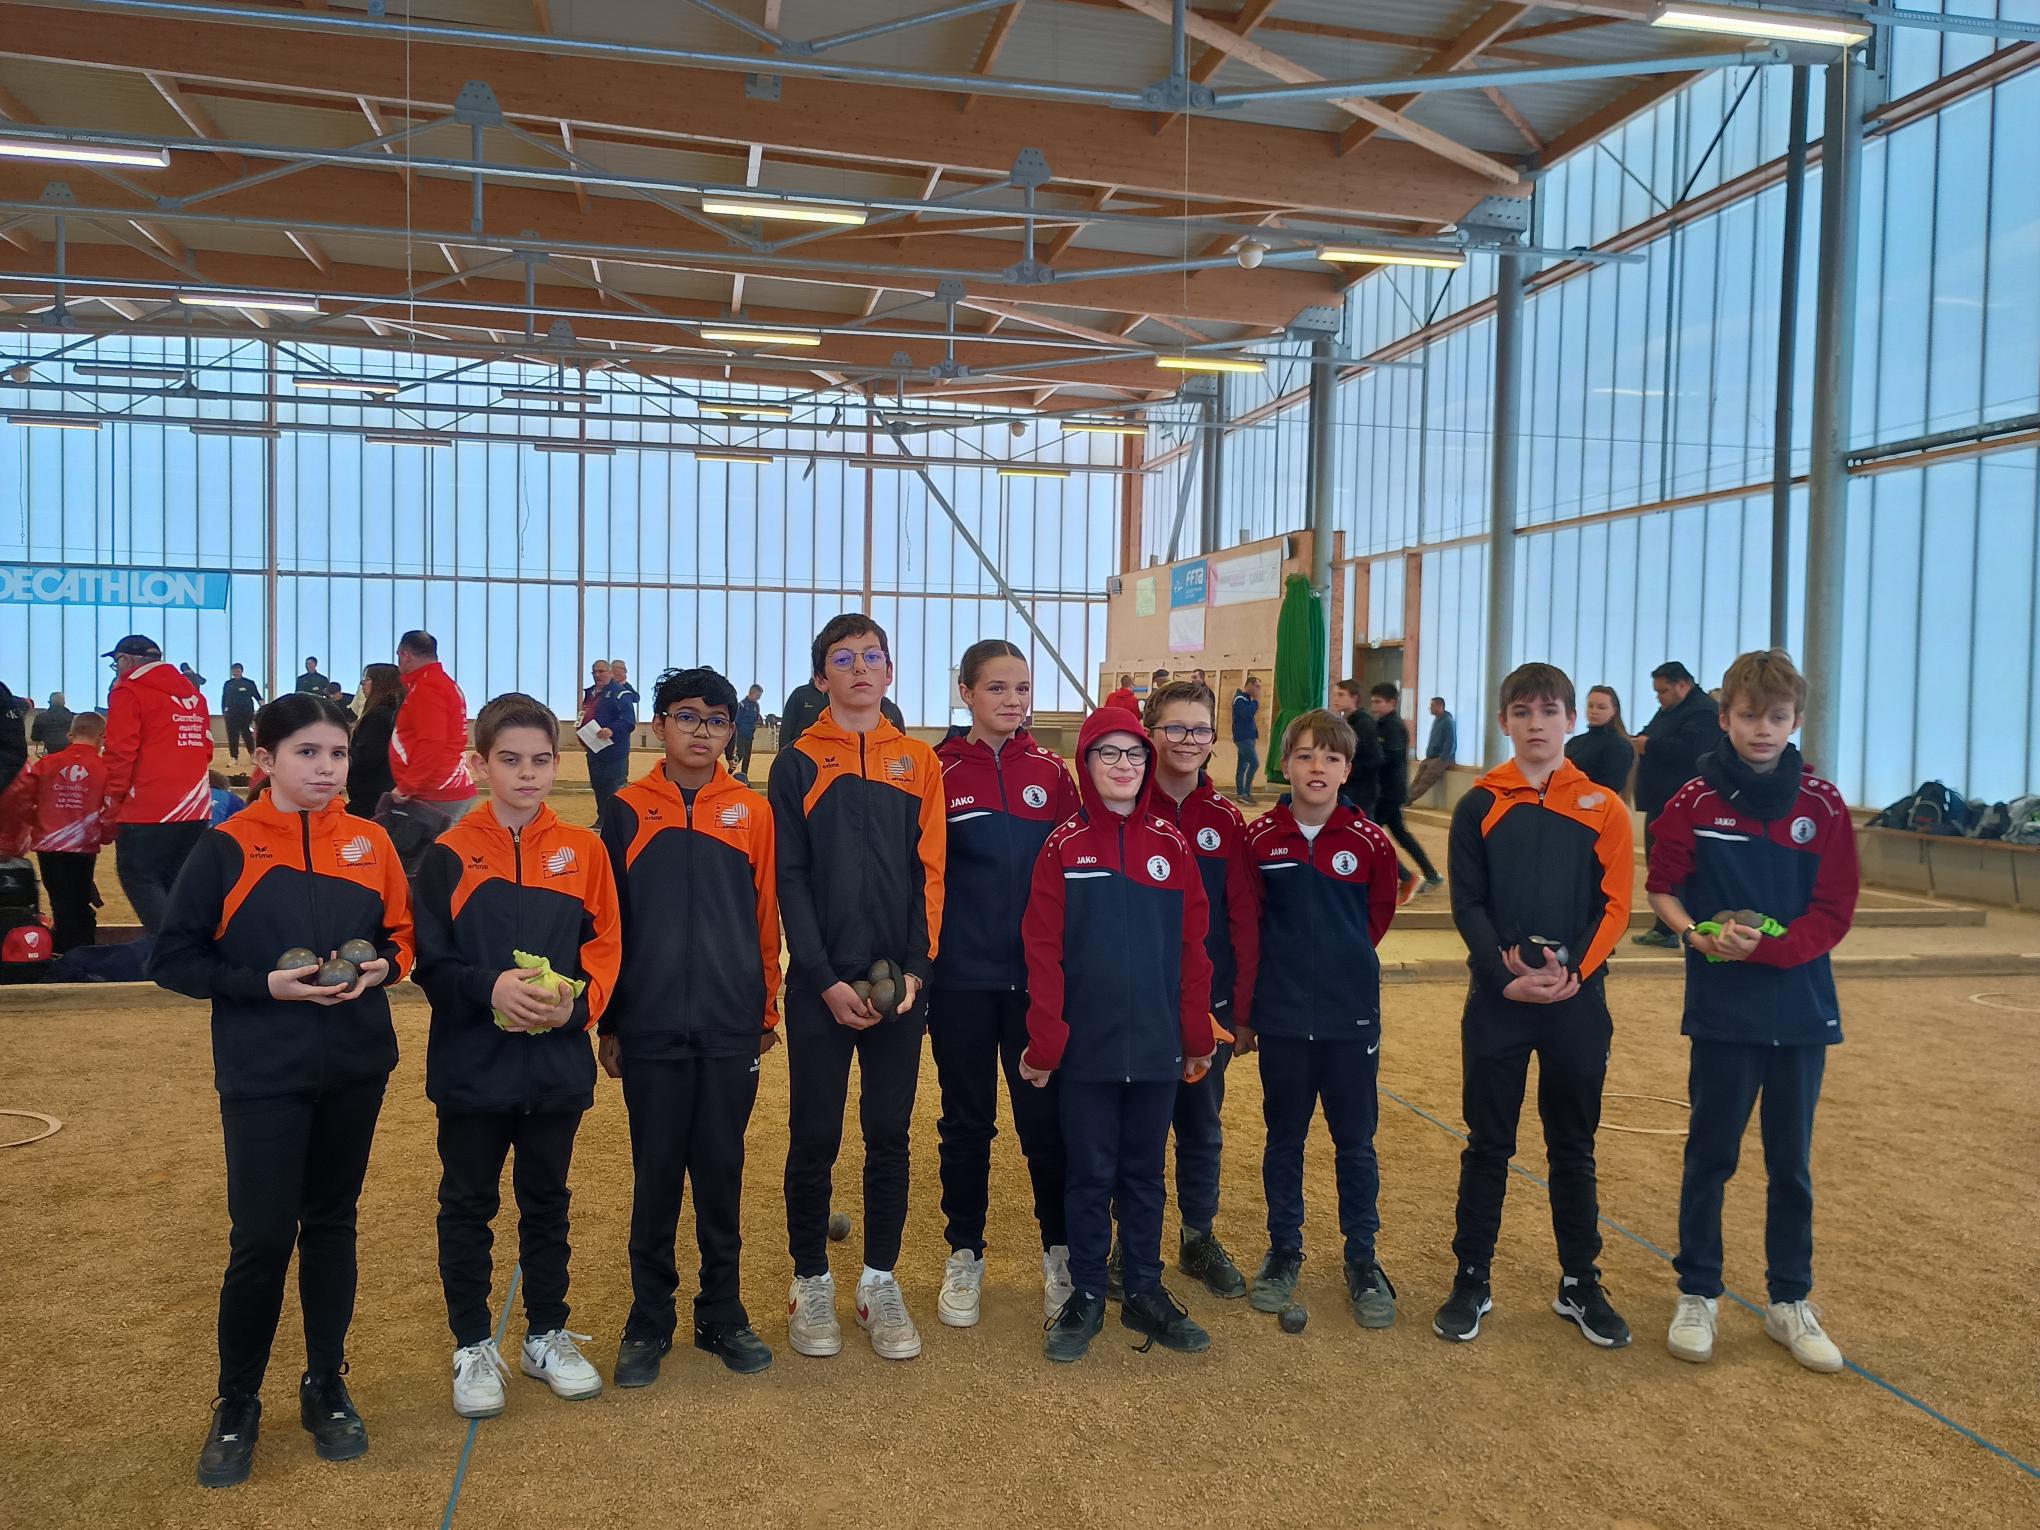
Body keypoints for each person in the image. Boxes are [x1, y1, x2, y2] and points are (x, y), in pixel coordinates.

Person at [150, 693, 413, 1490]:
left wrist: (384, 969)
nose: (325, 768)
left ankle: (326, 1382)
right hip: (263, 1074)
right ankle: (237, 1402)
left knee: (332, 1225)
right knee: (262, 1238)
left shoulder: (372, 842)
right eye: (306, 752)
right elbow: (175, 959)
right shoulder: (225, 846)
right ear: (264, 761)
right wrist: (266, 987)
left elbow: (404, 939)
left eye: (335, 753)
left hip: (356, 1069)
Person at [1646, 650, 1858, 1374]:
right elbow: (1664, 888)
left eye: (1776, 717)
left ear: (1795, 721)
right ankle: (1698, 1291)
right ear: (1725, 718)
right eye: (1747, 716)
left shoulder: (1824, 805)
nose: (1761, 730)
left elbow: (1834, 912)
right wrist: (1695, 934)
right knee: (1711, 1156)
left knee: (1790, 1166)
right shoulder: (1693, 801)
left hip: (1800, 1012)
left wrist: (1765, 951)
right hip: (1723, 1013)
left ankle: (1788, 1300)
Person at [415, 693, 622, 1419]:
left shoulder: (585, 850)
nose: (527, 775)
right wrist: (490, 987)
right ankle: (473, 1342)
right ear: (479, 764)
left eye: (540, 760)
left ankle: (546, 1333)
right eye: (510, 760)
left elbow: (606, 946)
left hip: (555, 1069)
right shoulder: (447, 855)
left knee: (547, 1201)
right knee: (468, 1203)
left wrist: (580, 1003)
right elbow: (428, 964)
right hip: (473, 1066)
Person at [1434, 663, 1632, 1349]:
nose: (1537, 724)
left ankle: (1580, 1281)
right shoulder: (1479, 803)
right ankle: (1471, 1275)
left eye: (1550, 711)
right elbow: (1468, 901)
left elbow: (1616, 906)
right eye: (1523, 712)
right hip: (1500, 1004)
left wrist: (1574, 969)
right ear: (1504, 723)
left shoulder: (1604, 807)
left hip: (1577, 1003)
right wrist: (1501, 975)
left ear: (1572, 720)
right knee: (1489, 1144)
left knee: (1572, 1147)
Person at [770, 614, 945, 1362]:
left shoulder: (920, 763)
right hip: (820, 987)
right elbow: (791, 878)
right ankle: (810, 1278)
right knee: (814, 1136)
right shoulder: (797, 764)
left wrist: (912, 973)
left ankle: (878, 1280)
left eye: (874, 656)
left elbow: (927, 873)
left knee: (888, 1133)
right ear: (822, 679)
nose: (861, 668)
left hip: (897, 986)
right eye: (844, 659)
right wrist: (822, 979)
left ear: (891, 671)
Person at [600, 667, 781, 1386]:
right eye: (686, 716)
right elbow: (606, 925)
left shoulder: (751, 813)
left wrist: (766, 1009)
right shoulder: (623, 810)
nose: (700, 730)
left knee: (721, 1167)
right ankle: (649, 1315)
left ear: (731, 731)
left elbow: (767, 917)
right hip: (647, 1028)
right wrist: (610, 1021)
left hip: (730, 1023)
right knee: (655, 1173)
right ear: (658, 726)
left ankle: (722, 1310)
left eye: (714, 719)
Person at [1023, 706, 1215, 1363]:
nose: (1123, 766)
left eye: (1133, 754)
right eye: (1107, 754)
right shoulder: (1062, 847)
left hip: (1158, 1050)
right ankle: (1084, 1295)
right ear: (1086, 763)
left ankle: (1144, 1287)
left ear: (1148, 762)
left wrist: (1194, 1034)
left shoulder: (1171, 844)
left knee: (1143, 1176)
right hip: (1087, 1054)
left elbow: (1193, 947)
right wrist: (1047, 1041)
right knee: (1088, 1175)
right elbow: (1042, 950)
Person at [1230, 708, 1401, 1328]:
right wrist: (1251, 1010)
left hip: (1349, 1018)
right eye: (1304, 755)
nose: (1317, 767)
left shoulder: (1370, 841)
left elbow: (1378, 912)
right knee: (1285, 1139)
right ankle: (1284, 1250)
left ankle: (1363, 1257)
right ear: (1285, 764)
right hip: (1280, 1019)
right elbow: (1247, 924)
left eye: (1330, 758)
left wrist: (1345, 960)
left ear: (1347, 769)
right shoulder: (1259, 839)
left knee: (1355, 1143)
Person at [927, 640, 1081, 1329]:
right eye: (997, 688)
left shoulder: (1054, 775)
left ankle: (1061, 1251)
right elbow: (920, 879)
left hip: (1036, 987)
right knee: (966, 1123)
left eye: (1022, 687)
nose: (1013, 700)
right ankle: (965, 1252)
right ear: (965, 692)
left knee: (1045, 1124)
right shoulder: (935, 771)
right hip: (960, 982)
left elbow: (1075, 879)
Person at [1137, 678, 1249, 1299]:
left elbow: (1241, 919)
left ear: (1213, 739)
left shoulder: (1226, 820)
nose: (1187, 740)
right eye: (1174, 728)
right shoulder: (1124, 803)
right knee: (1141, 1131)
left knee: (1202, 1124)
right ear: (1151, 734)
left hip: (1207, 1007)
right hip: (1138, 1004)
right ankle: (1134, 1246)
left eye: (1199, 729)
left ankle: (1198, 1236)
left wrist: (1236, 1003)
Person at [100, 635, 213, 934]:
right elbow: (207, 747)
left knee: (140, 878)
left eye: (115, 664)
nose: (116, 670)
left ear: (127, 660)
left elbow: (121, 752)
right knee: (176, 883)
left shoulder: (129, 692)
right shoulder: (194, 696)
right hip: (195, 807)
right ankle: (194, 951)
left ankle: (174, 954)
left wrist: (112, 804)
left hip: (149, 807)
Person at [1633, 661, 1720, 947]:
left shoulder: (1704, 711)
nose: (1659, 697)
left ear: (1683, 685)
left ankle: (1678, 926)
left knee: (1676, 865)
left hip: (1682, 802)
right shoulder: (1670, 710)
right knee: (1657, 862)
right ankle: (1664, 925)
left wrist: (1649, 745)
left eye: (1664, 690)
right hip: (1660, 799)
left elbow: (1691, 752)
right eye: (1657, 692)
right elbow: (1649, 733)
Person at [7, 711, 107, 952]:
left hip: (48, 843)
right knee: (79, 896)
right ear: (102, 738)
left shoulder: (46, 764)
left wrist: (36, 821)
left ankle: (66, 949)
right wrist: (105, 834)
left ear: (70, 735)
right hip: (83, 844)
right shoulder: (104, 768)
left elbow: (22, 799)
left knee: (60, 900)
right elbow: (112, 806)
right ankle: (82, 947)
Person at [380, 630, 475, 874]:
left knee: (417, 867)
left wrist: (407, 786)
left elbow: (432, 743)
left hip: (436, 790)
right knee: (433, 862)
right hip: (445, 786)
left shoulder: (427, 688)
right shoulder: (444, 685)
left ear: (405, 654)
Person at [1369, 684, 1442, 894]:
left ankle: (1404, 876)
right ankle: (1430, 874)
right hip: (1384, 791)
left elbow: (1390, 758)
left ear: (1392, 703)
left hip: (1390, 792)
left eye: (1378, 702)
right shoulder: (1380, 724)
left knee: (1370, 833)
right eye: (1373, 701)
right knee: (1400, 834)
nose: (1374, 706)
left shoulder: (1395, 727)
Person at [779, 675, 904, 752]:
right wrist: (783, 752)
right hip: (804, 752)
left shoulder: (891, 709)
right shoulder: (801, 694)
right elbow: (787, 726)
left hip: (837, 756)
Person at [587, 658, 640, 831]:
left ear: (610, 673)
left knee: (612, 787)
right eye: (594, 672)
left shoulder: (622, 694)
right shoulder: (591, 694)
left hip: (614, 751)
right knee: (598, 786)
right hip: (594, 749)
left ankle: (616, 824)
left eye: (601, 671)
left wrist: (611, 730)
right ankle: (602, 819)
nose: (597, 675)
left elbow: (629, 721)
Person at [346, 664, 403, 813]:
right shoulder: (395, 713)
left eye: (367, 679)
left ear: (381, 683)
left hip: (372, 795)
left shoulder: (376, 716)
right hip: (387, 789)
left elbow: (366, 756)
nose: (362, 683)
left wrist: (342, 755)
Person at [1330, 679, 1384, 819]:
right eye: (1334, 694)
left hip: (1361, 790)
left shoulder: (1364, 723)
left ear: (1354, 698)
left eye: (1341, 695)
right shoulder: (1346, 722)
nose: (1336, 699)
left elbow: (1374, 758)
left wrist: (1346, 771)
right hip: (1349, 786)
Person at [1566, 685, 1634, 797]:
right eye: (1590, 706)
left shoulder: (1619, 745)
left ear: (1614, 711)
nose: (1594, 711)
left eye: (1601, 707)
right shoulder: (1575, 742)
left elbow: (1611, 787)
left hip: (1593, 806)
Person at [1408, 696, 1457, 802]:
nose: (1430, 708)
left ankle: (1409, 799)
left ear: (1440, 706)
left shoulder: (1447, 721)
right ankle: (1404, 797)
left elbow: (1450, 742)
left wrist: (1442, 758)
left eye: (1432, 705)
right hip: (1431, 757)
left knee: (1426, 779)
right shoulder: (1437, 720)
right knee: (1418, 777)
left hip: (1442, 758)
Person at [220, 667, 262, 764]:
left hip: (246, 714)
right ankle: (233, 757)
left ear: (242, 671)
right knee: (232, 736)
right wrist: (224, 711)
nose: (236, 673)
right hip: (231, 714)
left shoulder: (249, 683)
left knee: (247, 734)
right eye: (234, 671)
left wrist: (263, 709)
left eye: (237, 671)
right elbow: (224, 698)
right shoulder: (228, 684)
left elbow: (258, 696)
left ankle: (252, 755)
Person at [1231, 675, 1262, 805]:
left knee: (1242, 766)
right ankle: (1245, 792)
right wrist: (1256, 701)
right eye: (1257, 686)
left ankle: (1242, 794)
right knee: (1254, 763)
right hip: (1243, 737)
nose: (1259, 690)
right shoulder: (1239, 699)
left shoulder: (1246, 698)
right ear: (1249, 685)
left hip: (1248, 736)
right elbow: (1246, 714)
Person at [728, 684, 764, 779]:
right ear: (752, 693)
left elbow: (756, 719)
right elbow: (736, 720)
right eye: (758, 695)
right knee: (741, 753)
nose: (759, 698)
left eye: (760, 696)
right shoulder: (742, 705)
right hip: (741, 734)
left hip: (749, 734)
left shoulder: (756, 705)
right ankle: (729, 772)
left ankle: (744, 777)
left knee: (747, 757)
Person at [32, 691, 74, 756]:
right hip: (69, 751)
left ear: (50, 702)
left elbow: (35, 737)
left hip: (50, 750)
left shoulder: (41, 717)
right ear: (64, 702)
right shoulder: (73, 717)